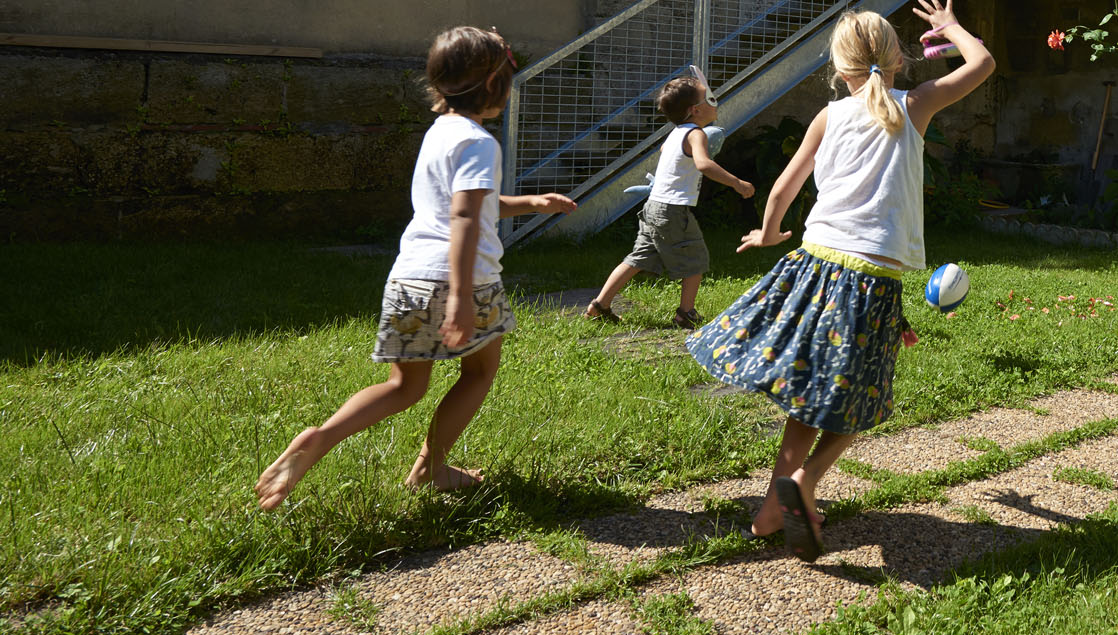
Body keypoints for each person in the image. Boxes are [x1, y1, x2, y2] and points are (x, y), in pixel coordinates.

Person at [686, 0, 994, 560]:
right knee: (860, 399)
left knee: (807, 397)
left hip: (813, 265)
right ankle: (804, 484)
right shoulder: (915, 105)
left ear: (839, 67)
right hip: (870, 278)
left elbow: (785, 185)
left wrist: (769, 232)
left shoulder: (828, 116)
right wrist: (952, 27)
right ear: (898, 58)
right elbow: (983, 65)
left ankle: (769, 511)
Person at [254, 26, 576, 511]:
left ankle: (321, 438)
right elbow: (465, 217)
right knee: (479, 372)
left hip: (409, 276)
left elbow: (467, 204)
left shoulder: (439, 133)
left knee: (404, 386)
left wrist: (530, 201)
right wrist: (464, 297)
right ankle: (431, 468)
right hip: (463, 280)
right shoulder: (480, 142)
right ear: (494, 86)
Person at [586, 71, 754, 328]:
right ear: (695, 110)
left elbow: (667, 152)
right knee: (696, 257)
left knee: (637, 258)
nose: (714, 103)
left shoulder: (676, 132)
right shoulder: (696, 134)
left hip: (654, 206)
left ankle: (599, 305)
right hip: (673, 210)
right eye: (709, 99)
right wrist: (737, 183)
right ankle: (685, 313)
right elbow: (703, 164)